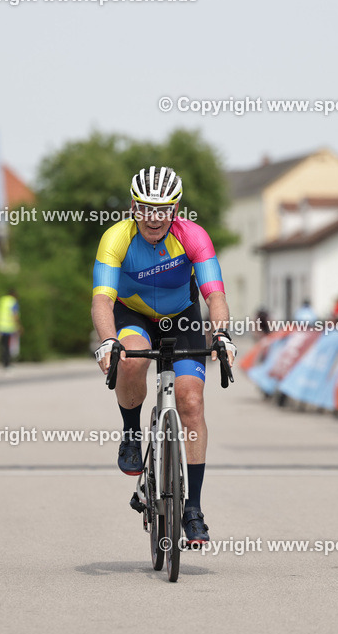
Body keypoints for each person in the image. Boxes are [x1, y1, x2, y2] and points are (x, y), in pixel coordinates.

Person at [92, 166, 235, 547]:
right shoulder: (116, 238)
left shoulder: (194, 237)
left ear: (175, 209)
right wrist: (109, 340)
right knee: (132, 358)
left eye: (163, 209)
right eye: (145, 209)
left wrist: (221, 334)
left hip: (182, 317)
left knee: (190, 400)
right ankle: (131, 433)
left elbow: (214, 296)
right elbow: (103, 299)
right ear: (134, 207)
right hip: (133, 315)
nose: (154, 218)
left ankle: (193, 509)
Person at [0, 288, 21, 367]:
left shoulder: (2, 300)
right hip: (9, 327)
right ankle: (7, 363)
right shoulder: (12, 301)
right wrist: (18, 325)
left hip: (0, 326)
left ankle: (2, 361)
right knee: (9, 346)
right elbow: (15, 315)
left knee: (3, 345)